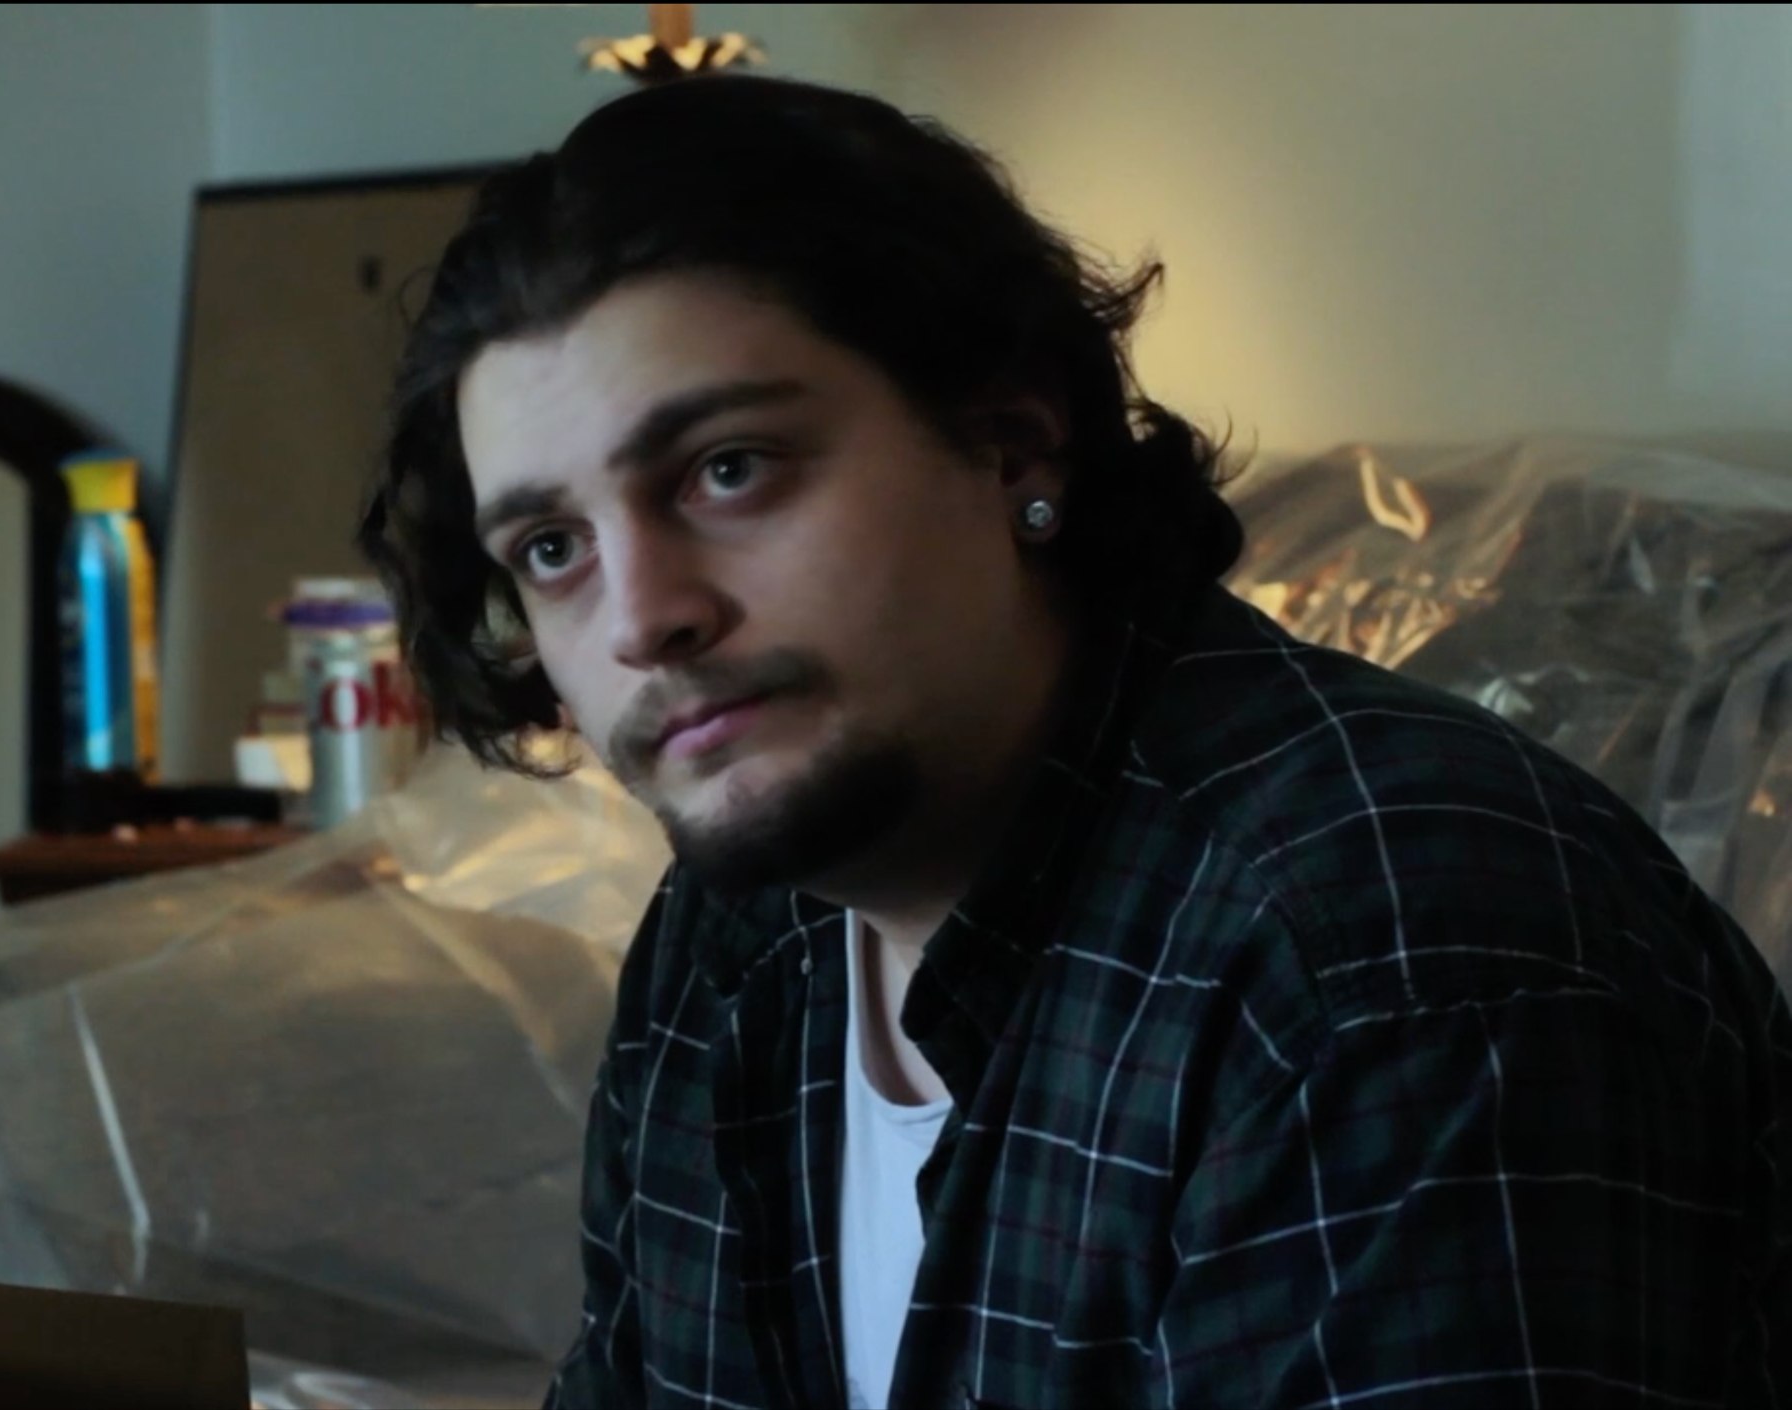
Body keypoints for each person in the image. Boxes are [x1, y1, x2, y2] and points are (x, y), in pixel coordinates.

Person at [359, 75, 1792, 1409]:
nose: (642, 618)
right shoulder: (732, 943)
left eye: (729, 469)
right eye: (552, 548)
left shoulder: (1380, 956)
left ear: (1014, 443)